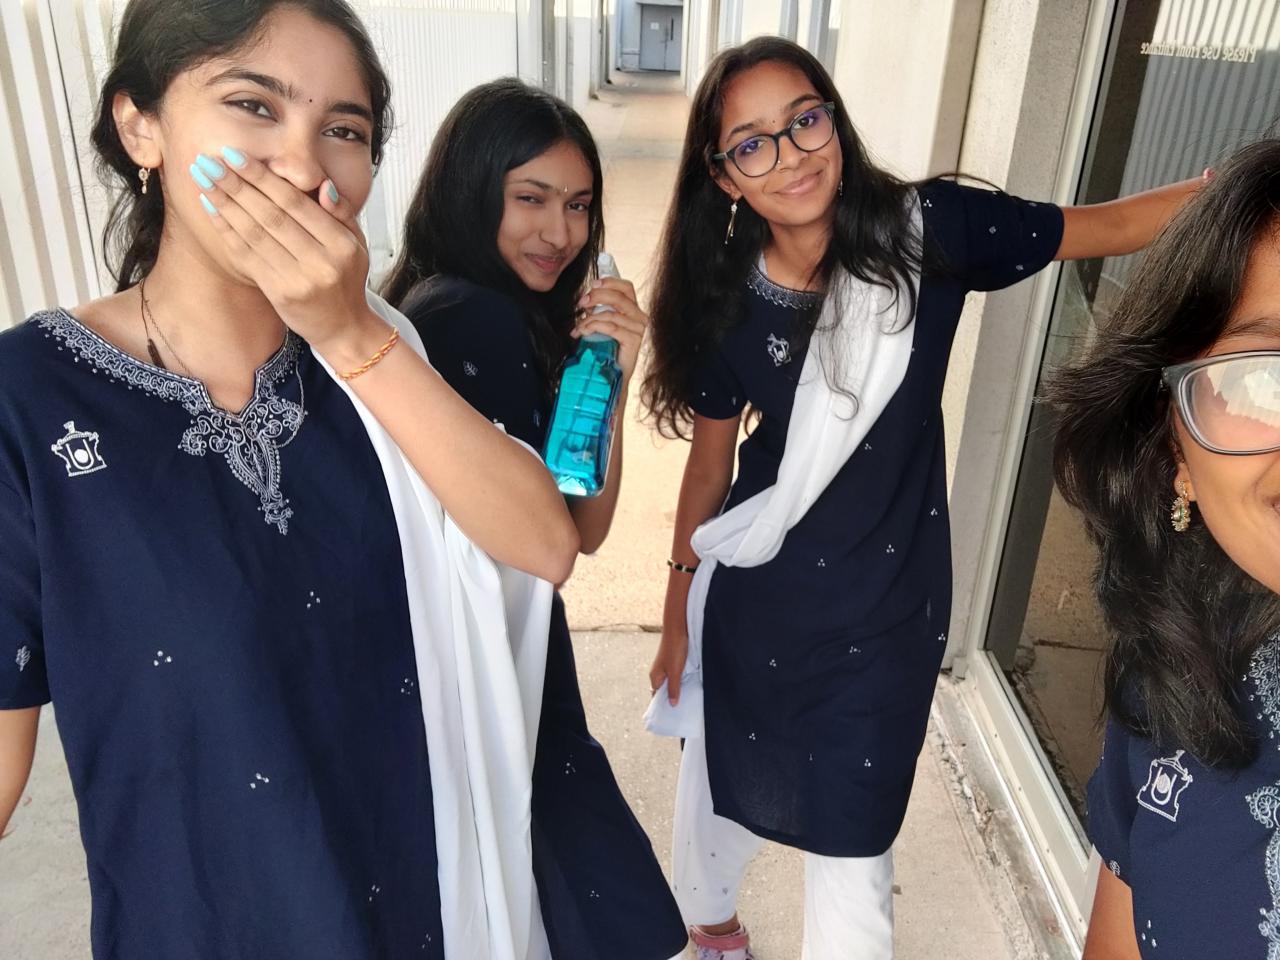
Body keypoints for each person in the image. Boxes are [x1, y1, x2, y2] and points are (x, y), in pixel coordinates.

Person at [0, 2, 581, 958]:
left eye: (343, 130)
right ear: (139, 126)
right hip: (203, 927)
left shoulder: (382, 358)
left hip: (424, 909)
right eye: (254, 106)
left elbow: (547, 544)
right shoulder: (29, 399)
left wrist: (351, 335)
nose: (306, 168)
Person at [639, 35, 1204, 959]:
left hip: (888, 606)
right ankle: (712, 921)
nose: (790, 155)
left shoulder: (926, 234)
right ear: (724, 175)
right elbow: (709, 470)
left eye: (805, 120)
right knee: (725, 773)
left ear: (834, 119)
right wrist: (677, 617)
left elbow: (1102, 225)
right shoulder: (725, 298)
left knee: (855, 842)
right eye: (752, 144)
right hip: (764, 598)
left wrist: (1237, 192)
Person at [381, 77, 688, 960]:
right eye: (531, 199)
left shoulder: (440, 301)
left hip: (491, 646)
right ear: (471, 189)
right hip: (485, 662)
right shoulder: (471, 319)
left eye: (579, 205)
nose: (560, 233)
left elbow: (575, 524)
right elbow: (564, 540)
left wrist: (604, 373)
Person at [1051, 138, 1280, 960]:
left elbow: (1081, 227)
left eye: (805, 123)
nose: (791, 158)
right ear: (1175, 448)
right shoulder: (1175, 679)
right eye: (1263, 377)